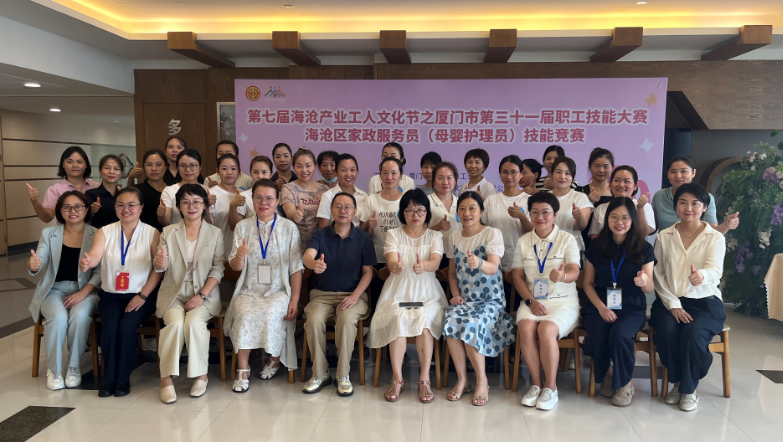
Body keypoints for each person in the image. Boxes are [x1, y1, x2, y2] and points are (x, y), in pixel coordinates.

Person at [650, 183, 726, 412]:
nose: (688, 208)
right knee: (667, 331)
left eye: (695, 203)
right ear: (676, 206)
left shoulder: (715, 237)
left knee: (693, 335)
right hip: (670, 300)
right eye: (683, 202)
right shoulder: (664, 236)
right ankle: (678, 383)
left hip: (705, 302)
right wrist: (673, 305)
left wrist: (702, 275)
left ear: (704, 207)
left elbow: (715, 270)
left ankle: (689, 389)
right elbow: (658, 275)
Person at [367, 189, 448, 403]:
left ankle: (424, 379)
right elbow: (391, 260)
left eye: (420, 210)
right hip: (398, 289)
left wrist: (424, 266)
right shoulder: (394, 234)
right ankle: (397, 378)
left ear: (427, 212)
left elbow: (436, 262)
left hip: (427, 290)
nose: (415, 214)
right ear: (403, 212)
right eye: (410, 210)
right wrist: (395, 266)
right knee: (398, 318)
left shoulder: (435, 236)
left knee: (425, 321)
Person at [79, 187, 162, 398]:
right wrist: (88, 262)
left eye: (131, 205)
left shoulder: (152, 233)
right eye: (120, 205)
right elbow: (95, 255)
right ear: (115, 207)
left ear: (141, 207)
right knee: (109, 330)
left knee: (126, 328)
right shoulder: (105, 231)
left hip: (142, 296)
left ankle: (123, 379)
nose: (126, 209)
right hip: (111, 295)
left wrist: (142, 295)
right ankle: (109, 379)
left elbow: (158, 269)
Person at [224, 179, 303, 392]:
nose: (263, 203)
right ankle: (243, 368)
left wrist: (294, 300)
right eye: (258, 198)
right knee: (244, 314)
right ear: (252, 200)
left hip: (278, 290)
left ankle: (275, 359)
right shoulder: (242, 226)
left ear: (277, 201)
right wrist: (239, 257)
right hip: (249, 289)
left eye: (269, 198)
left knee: (272, 313)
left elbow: (296, 267)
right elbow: (235, 266)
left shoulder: (288, 228)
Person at [154, 184, 225, 404]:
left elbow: (218, 269)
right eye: (185, 202)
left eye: (196, 202)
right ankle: (166, 380)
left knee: (194, 324)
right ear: (179, 206)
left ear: (204, 205)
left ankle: (200, 376)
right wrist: (159, 263)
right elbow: (160, 266)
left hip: (204, 293)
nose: (191, 206)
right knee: (175, 324)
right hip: (173, 293)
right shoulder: (168, 232)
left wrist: (202, 295)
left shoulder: (215, 233)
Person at [582, 197, 655, 407]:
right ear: (607, 219)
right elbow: (588, 283)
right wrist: (601, 307)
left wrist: (644, 282)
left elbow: (650, 287)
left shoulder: (643, 247)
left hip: (632, 305)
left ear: (633, 220)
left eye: (625, 217)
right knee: (597, 333)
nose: (619, 222)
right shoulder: (597, 245)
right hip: (600, 302)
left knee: (620, 334)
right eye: (614, 217)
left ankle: (625, 383)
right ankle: (609, 373)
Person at [301, 193, 376, 396]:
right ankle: (320, 373)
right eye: (338, 206)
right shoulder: (320, 234)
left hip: (353, 295)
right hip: (322, 295)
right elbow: (307, 256)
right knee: (313, 320)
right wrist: (313, 264)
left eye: (347, 207)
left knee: (346, 319)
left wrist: (355, 296)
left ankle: (343, 375)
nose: (343, 211)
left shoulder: (363, 238)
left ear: (354, 211)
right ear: (331, 210)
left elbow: (368, 272)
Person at [444, 191, 515, 406]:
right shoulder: (453, 237)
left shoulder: (492, 233)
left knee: (472, 324)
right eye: (462, 208)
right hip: (466, 301)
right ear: (457, 213)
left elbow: (493, 267)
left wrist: (479, 263)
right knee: (450, 321)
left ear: (481, 211)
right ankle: (463, 380)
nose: (467, 213)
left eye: (472, 208)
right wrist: (456, 295)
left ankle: (482, 382)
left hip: (491, 301)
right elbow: (452, 273)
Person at [512, 192, 581, 410]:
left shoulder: (567, 239)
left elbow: (575, 271)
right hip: (533, 301)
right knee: (525, 327)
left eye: (545, 212)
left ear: (555, 214)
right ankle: (536, 384)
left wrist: (563, 276)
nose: (540, 217)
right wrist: (530, 301)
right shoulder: (523, 241)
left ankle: (551, 388)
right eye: (535, 212)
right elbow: (517, 276)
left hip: (563, 302)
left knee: (546, 330)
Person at [28, 191, 100, 390]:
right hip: (54, 290)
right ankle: (54, 371)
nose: (72, 211)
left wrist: (83, 293)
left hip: (86, 290)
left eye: (78, 206)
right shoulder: (49, 234)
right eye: (66, 207)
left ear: (86, 209)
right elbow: (40, 259)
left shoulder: (97, 234)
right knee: (58, 318)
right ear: (60, 211)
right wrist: (34, 264)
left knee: (79, 316)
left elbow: (101, 271)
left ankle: (74, 367)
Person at [652, 155, 740, 234]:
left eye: (683, 171)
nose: (678, 176)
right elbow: (651, 229)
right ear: (667, 174)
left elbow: (712, 232)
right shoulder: (659, 196)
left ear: (693, 173)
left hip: (695, 246)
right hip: (664, 245)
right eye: (673, 171)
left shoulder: (705, 197)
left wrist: (726, 225)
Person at [482, 155, 534, 272]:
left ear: (521, 174)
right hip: (493, 259)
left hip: (521, 260)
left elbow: (534, 233)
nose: (509, 176)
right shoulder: (491, 200)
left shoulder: (529, 200)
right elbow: (482, 230)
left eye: (513, 172)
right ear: (500, 174)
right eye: (505, 172)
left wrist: (522, 217)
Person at [27, 146, 99, 223]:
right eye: (70, 162)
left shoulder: (97, 186)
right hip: (65, 231)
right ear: (63, 164)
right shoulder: (55, 190)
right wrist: (35, 201)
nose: (75, 165)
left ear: (86, 165)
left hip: (95, 230)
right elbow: (47, 218)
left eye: (79, 162)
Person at [280, 148, 329, 252]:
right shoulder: (288, 188)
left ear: (315, 166)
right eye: (299, 166)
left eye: (308, 165)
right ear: (293, 167)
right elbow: (289, 212)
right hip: (294, 242)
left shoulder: (324, 190)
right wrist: (295, 215)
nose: (304, 170)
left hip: (319, 242)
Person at [359, 158, 405, 265]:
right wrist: (367, 226)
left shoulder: (407, 201)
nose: (389, 177)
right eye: (385, 173)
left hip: (401, 259)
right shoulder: (371, 200)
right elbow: (364, 234)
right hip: (376, 258)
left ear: (401, 175)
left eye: (394, 173)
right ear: (380, 175)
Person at [589, 166, 656, 238]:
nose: (621, 185)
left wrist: (640, 208)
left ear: (635, 185)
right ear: (610, 184)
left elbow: (643, 233)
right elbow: (595, 238)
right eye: (617, 180)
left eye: (626, 181)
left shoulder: (644, 206)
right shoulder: (600, 208)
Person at [549, 157, 593, 251]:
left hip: (571, 249)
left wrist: (579, 216)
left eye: (567, 173)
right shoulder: (544, 198)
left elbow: (581, 227)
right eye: (558, 172)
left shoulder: (580, 197)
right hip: (547, 248)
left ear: (572, 177)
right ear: (551, 174)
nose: (562, 177)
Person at [159, 149, 211, 227]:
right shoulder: (169, 190)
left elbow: (210, 224)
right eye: (183, 166)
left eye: (192, 165)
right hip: (177, 232)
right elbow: (165, 222)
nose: (188, 170)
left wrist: (207, 206)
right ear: (178, 167)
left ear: (200, 167)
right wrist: (161, 215)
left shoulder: (208, 191)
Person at [316, 153, 368, 228]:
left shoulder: (364, 196)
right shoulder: (328, 196)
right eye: (344, 170)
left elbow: (364, 228)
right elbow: (323, 228)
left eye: (352, 170)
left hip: (358, 235)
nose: (348, 174)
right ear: (336, 172)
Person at [578, 148, 615, 250]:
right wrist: (589, 203)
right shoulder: (580, 192)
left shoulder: (617, 193)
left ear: (612, 168)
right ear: (590, 167)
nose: (601, 170)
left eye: (606, 166)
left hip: (611, 246)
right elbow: (574, 221)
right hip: (583, 244)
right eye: (597, 166)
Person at [207, 154, 242, 258]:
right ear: (217, 171)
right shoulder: (210, 194)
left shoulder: (243, 194)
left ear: (239, 171)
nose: (229, 172)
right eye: (224, 168)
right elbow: (205, 226)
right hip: (215, 251)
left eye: (233, 169)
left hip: (238, 252)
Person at [427, 162, 461, 268]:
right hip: (433, 254)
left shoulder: (461, 203)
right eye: (440, 178)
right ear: (433, 180)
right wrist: (437, 227)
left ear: (455, 180)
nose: (445, 182)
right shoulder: (426, 202)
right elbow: (418, 232)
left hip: (457, 254)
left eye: (449, 178)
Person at [228, 155, 274, 230]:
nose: (260, 176)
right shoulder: (243, 196)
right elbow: (235, 227)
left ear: (271, 173)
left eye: (264, 172)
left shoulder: (278, 195)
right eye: (255, 172)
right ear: (251, 173)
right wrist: (233, 206)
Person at [133, 149, 167, 231]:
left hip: (169, 236)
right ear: (144, 167)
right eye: (149, 165)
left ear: (166, 167)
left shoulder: (173, 189)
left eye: (159, 165)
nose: (154, 168)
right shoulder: (137, 190)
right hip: (143, 235)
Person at [86, 155, 123, 229]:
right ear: (100, 171)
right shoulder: (91, 194)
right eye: (107, 168)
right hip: (99, 234)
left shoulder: (123, 195)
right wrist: (92, 211)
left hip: (122, 234)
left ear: (121, 173)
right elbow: (84, 218)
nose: (111, 172)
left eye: (116, 169)